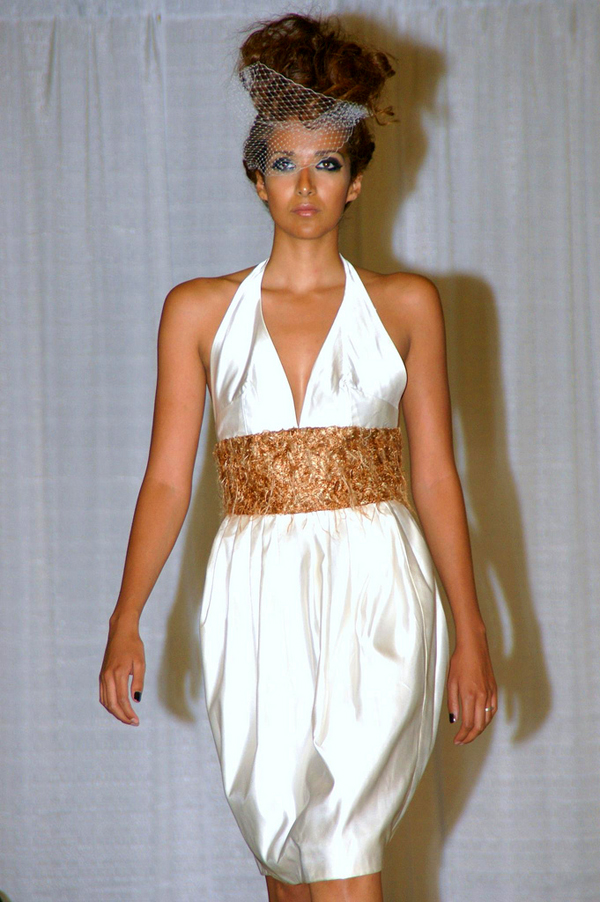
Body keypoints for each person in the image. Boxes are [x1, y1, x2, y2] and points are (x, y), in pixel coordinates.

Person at [99, 12, 497, 902]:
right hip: (255, 591)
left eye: (328, 163)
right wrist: (126, 617)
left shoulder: (407, 306)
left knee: (345, 838)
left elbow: (436, 475)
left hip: (378, 587)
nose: (306, 184)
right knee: (285, 850)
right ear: (256, 178)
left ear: (356, 182)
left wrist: (471, 633)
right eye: (285, 163)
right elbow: (166, 478)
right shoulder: (198, 311)